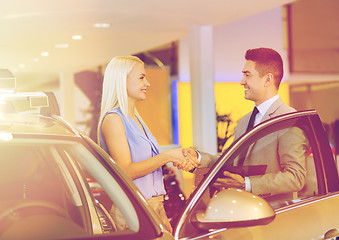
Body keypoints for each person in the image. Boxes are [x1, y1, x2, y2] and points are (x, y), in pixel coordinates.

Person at [185, 47, 307, 199]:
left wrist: (246, 184)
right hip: (242, 211)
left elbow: (296, 177)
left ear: (267, 79)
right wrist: (197, 158)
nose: (242, 82)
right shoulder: (244, 121)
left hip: (274, 215)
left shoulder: (289, 120)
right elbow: (229, 161)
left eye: (247, 75)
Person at [97, 56, 198, 233]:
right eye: (141, 77)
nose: (148, 83)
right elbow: (126, 171)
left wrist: (162, 214)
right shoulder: (113, 119)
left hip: (154, 208)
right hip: (133, 212)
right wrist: (166, 156)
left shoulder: (136, 119)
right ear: (122, 80)